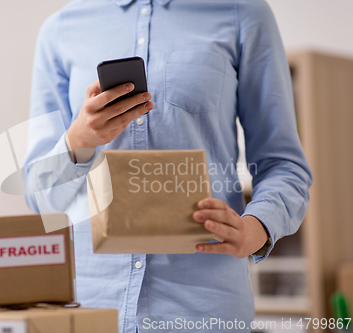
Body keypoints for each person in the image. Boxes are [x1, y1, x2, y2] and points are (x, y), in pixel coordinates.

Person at [22, 0, 312, 332]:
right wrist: (80, 139)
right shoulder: (60, 28)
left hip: (203, 309)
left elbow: (284, 164)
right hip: (89, 306)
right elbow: (39, 195)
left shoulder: (241, 13)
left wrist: (256, 229)